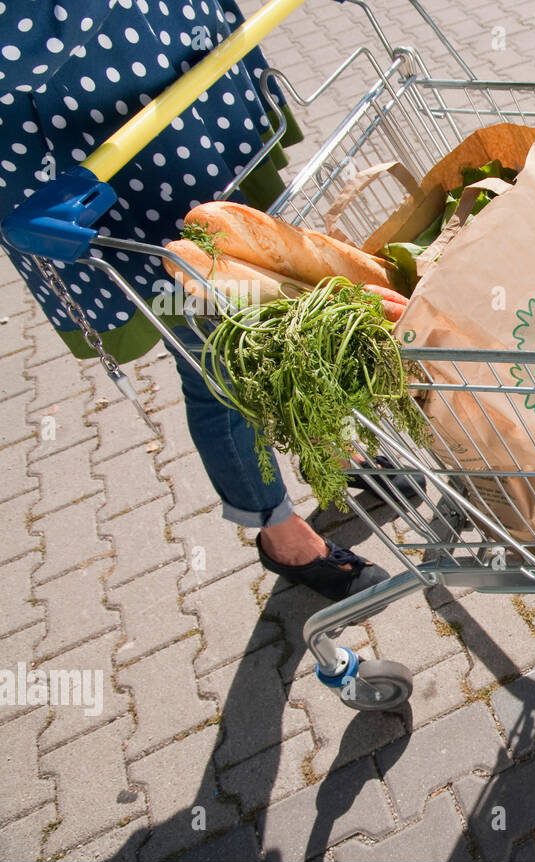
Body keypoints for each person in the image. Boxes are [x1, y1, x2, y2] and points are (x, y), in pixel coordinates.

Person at [1, 1, 389, 601]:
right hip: (102, 148)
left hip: (198, 95)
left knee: (285, 307)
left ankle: (329, 450)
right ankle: (277, 531)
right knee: (218, 358)